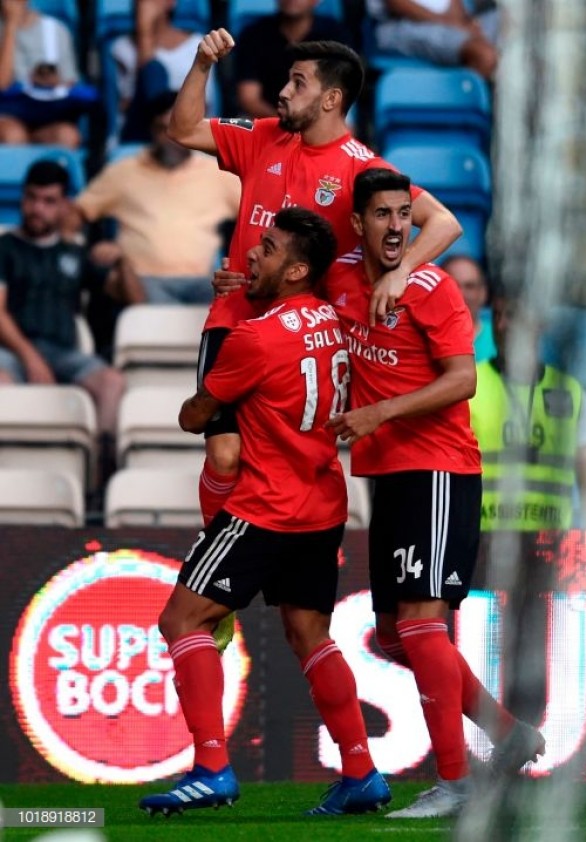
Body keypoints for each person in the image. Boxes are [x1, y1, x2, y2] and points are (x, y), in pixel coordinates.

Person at [138, 208, 390, 817]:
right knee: (311, 636)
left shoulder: (255, 337)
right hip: (324, 502)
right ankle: (360, 770)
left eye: (269, 248)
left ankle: (212, 769)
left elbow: (196, 416)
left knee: (183, 622)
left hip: (262, 507)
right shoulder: (335, 320)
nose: (253, 254)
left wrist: (204, 397)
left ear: (298, 269)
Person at [167, 32, 463, 532]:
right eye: (287, 80)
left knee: (294, 464)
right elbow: (183, 128)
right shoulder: (262, 136)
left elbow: (444, 222)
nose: (283, 91)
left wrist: (401, 271)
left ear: (331, 99)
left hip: (304, 340)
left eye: (297, 83)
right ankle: (212, 558)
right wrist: (201, 64)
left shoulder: (363, 169)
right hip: (236, 316)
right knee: (224, 453)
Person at [325, 169, 542, 818]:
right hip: (389, 474)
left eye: (403, 214)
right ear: (359, 223)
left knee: (422, 623)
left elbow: (462, 381)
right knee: (394, 634)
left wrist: (379, 413)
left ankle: (456, 781)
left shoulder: (434, 289)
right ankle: (510, 735)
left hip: (439, 471)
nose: (396, 227)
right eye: (383, 215)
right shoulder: (339, 278)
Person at [469, 281, 586, 720]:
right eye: (502, 316)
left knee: (533, 653)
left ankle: (527, 734)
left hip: (549, 546)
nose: (509, 326)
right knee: (483, 652)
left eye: (519, 317)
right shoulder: (468, 385)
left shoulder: (569, 391)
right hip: (483, 543)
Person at [0, 162, 125, 473]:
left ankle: (97, 479)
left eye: (49, 201)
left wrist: (123, 262)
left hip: (64, 353)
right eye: (31, 198)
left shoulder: (75, 253)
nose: (37, 208)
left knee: (111, 382)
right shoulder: (5, 247)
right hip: (12, 352)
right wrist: (31, 359)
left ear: (65, 205)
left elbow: (132, 297)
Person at [75, 92, 241, 306]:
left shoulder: (217, 173)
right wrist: (86, 247)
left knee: (238, 297)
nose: (175, 138)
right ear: (152, 130)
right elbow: (77, 213)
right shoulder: (124, 172)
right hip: (144, 281)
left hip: (203, 283)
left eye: (183, 129)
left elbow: (258, 214)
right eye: (165, 129)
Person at [112, 0, 212, 143]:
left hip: (187, 135)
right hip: (139, 136)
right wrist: (144, 34)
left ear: (171, 2)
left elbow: (203, 106)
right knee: (155, 70)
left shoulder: (199, 45)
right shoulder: (121, 48)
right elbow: (125, 105)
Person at [234, 0, 353, 119]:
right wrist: (289, 123)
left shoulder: (335, 35)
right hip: (266, 121)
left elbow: (338, 92)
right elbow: (249, 98)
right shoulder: (253, 35)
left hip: (319, 120)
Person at [0, 0, 94, 146]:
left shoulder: (56, 30)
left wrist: (53, 81)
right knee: (13, 135)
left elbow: (70, 85)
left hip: (47, 115)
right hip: (6, 115)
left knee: (67, 136)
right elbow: (2, 83)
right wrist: (11, 25)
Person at [369, 0, 499, 81]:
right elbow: (396, 4)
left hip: (444, 24)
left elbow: (453, 6)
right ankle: (454, 111)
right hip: (400, 25)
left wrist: (464, 25)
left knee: (493, 27)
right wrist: (452, 24)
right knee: (484, 55)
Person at [444, 254, 495, 362]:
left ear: (483, 293)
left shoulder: (500, 338)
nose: (461, 294)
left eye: (470, 286)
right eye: (453, 285)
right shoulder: (420, 339)